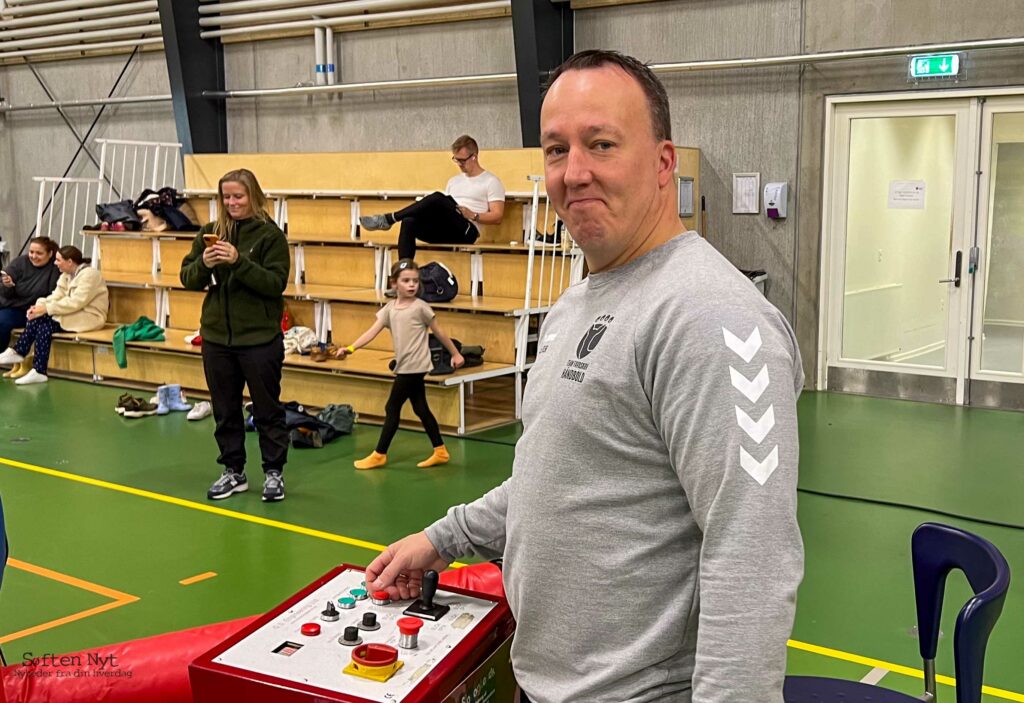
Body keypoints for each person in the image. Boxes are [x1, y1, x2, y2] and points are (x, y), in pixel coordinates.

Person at [363, 51, 804, 703]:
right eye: (556, 149)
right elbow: (559, 473)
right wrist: (444, 537)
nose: (575, 172)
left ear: (662, 163)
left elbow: (754, 556)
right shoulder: (577, 301)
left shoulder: (713, 317)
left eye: (601, 143)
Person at [180, 169, 291, 502]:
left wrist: (238, 261)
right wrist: (205, 263)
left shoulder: (271, 237)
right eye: (226, 197)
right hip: (216, 340)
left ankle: (274, 473)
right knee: (224, 410)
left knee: (267, 409)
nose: (231, 203)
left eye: (238, 196)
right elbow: (188, 278)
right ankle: (234, 471)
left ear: (253, 196)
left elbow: (275, 285)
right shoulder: (210, 233)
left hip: (259, 340)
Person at [336, 259, 464, 470]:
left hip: (414, 366)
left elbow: (439, 332)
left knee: (391, 407)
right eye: (406, 281)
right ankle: (440, 450)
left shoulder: (421, 308)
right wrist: (350, 348)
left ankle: (379, 454)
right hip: (405, 364)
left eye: (415, 281)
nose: (412, 285)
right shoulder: (389, 309)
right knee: (420, 408)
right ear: (394, 284)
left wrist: (455, 353)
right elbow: (372, 331)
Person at [359, 135, 506, 265]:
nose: (460, 164)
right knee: (409, 221)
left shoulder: (491, 181)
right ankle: (404, 277)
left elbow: (498, 216)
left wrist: (473, 215)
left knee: (437, 197)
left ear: (474, 156)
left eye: (462, 160)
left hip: (468, 230)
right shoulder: (453, 181)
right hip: (446, 228)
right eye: (456, 160)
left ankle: (389, 219)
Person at [0, 245, 108, 386]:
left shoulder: (90, 275)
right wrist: (39, 306)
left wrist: (46, 309)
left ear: (69, 262)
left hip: (90, 316)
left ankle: (21, 353)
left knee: (45, 320)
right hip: (73, 313)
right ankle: (37, 369)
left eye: (58, 260)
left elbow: (76, 302)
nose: (55, 263)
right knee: (42, 324)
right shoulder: (66, 275)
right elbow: (56, 296)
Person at [0, 237, 60, 366]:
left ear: (50, 254)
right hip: (8, 303)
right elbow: (4, 291)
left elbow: (52, 295)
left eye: (39, 253)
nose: (33, 256)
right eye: (31, 252)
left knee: (2, 321)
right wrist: (8, 286)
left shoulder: (55, 269)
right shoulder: (20, 262)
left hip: (28, 311)